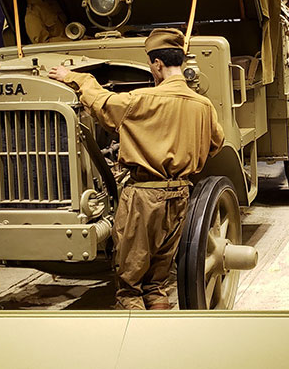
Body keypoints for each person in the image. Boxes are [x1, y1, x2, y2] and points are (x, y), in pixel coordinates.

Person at [49, 28, 224, 310]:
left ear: (156, 64)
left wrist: (76, 77)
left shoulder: (140, 100)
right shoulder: (203, 105)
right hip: (179, 195)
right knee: (157, 283)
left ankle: (134, 333)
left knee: (129, 286)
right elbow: (216, 142)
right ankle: (158, 316)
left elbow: (101, 103)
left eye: (150, 65)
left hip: (143, 197)